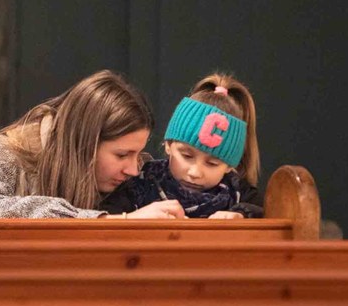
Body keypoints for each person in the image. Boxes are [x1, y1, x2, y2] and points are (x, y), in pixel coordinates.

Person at [0, 70, 186, 219]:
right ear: (84, 144)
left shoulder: (134, 176)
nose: (132, 169)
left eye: (137, 155)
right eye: (122, 155)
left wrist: (221, 214)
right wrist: (113, 221)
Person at [107, 73, 262, 219]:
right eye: (187, 156)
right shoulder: (138, 185)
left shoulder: (239, 194)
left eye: (212, 163)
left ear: (229, 166)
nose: (195, 172)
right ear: (168, 145)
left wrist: (241, 216)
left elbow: (266, 213)